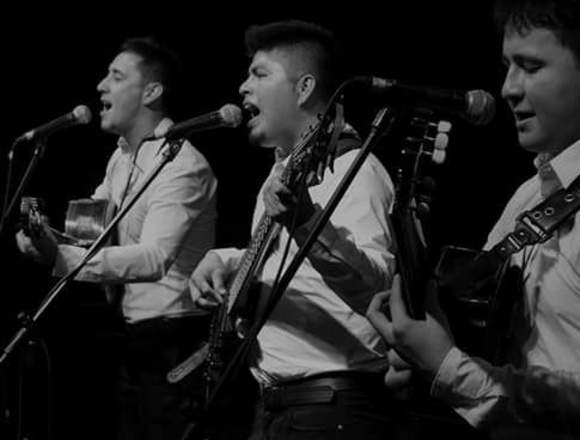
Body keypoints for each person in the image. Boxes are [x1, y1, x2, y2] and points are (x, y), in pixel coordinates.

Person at [367, 0, 580, 437]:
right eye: (507, 66)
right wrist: (427, 364)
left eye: (531, 66)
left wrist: (448, 368)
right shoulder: (528, 196)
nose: (507, 88)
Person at [190, 19, 402, 439]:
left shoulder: (350, 170)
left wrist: (307, 222)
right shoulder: (283, 173)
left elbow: (374, 285)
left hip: (331, 410)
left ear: (304, 89)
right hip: (282, 407)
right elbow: (282, 260)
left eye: (260, 74)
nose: (243, 87)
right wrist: (227, 260)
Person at [16, 36, 218, 440]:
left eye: (116, 76)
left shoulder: (182, 164)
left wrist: (63, 258)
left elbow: (154, 258)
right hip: (136, 336)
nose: (100, 87)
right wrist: (45, 241)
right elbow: (90, 225)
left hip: (178, 339)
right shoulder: (122, 157)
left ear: (152, 91)